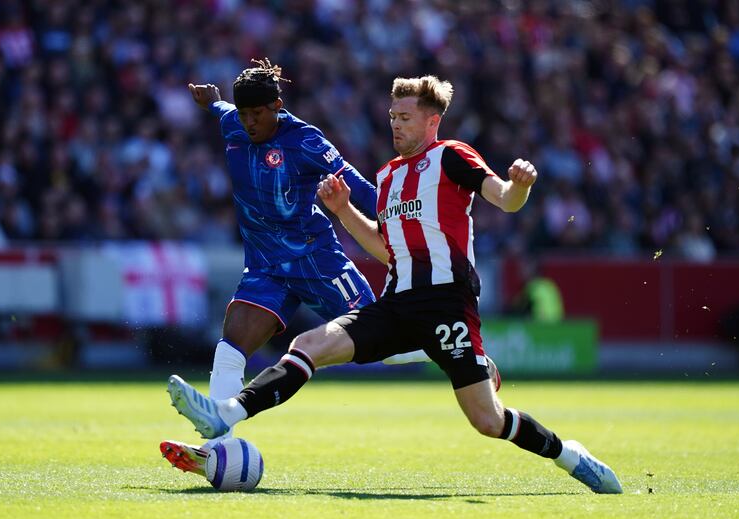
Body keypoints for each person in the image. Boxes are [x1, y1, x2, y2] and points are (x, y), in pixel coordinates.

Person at [167, 75, 621, 493]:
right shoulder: (387, 177)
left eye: (404, 118)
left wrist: (520, 185)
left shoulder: (451, 156)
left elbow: (504, 198)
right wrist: (343, 210)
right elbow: (385, 245)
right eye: (392, 117)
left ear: (431, 120)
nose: (395, 125)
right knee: (308, 344)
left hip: (445, 304)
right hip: (396, 301)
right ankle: (226, 413)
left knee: (487, 420)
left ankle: (569, 455)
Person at [161, 61, 500, 475]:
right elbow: (223, 110)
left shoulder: (304, 139)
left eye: (257, 115)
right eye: (244, 114)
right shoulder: (233, 123)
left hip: (317, 261)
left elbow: (356, 184)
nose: (250, 123)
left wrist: (399, 207)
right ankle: (216, 448)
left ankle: (461, 360)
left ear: (277, 107)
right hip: (266, 266)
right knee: (232, 341)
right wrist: (211, 101)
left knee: (384, 342)